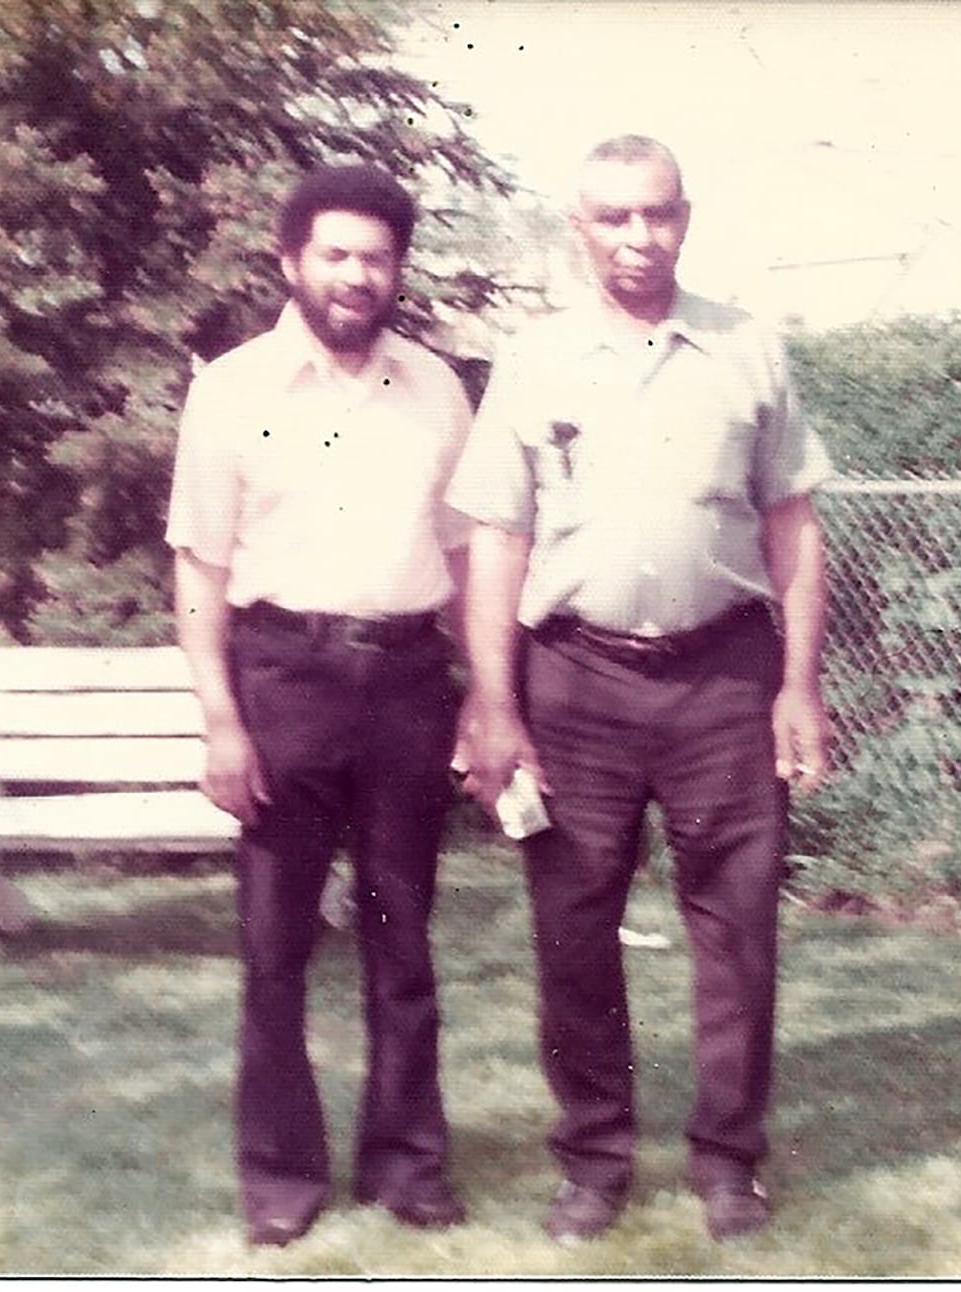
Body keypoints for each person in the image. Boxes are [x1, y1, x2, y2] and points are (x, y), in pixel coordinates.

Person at [448, 134, 835, 1243]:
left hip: (722, 672)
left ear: (685, 217)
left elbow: (792, 525)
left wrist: (798, 682)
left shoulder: (747, 349)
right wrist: (496, 700)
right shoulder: (532, 358)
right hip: (573, 679)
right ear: (579, 228)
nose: (636, 235)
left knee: (737, 927)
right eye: (612, 216)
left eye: (655, 213)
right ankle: (593, 1156)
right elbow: (498, 538)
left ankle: (728, 1161)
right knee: (572, 928)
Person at [166, 164, 474, 1248]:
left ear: (397, 270)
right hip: (281, 675)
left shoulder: (438, 388)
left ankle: (408, 1165)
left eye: (377, 256)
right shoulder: (232, 390)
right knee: (274, 943)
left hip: (404, 682)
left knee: (404, 938)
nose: (357, 274)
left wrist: (485, 694)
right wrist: (219, 719)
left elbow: (467, 556)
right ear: (290, 259)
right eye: (336, 253)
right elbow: (199, 568)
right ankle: (281, 1181)